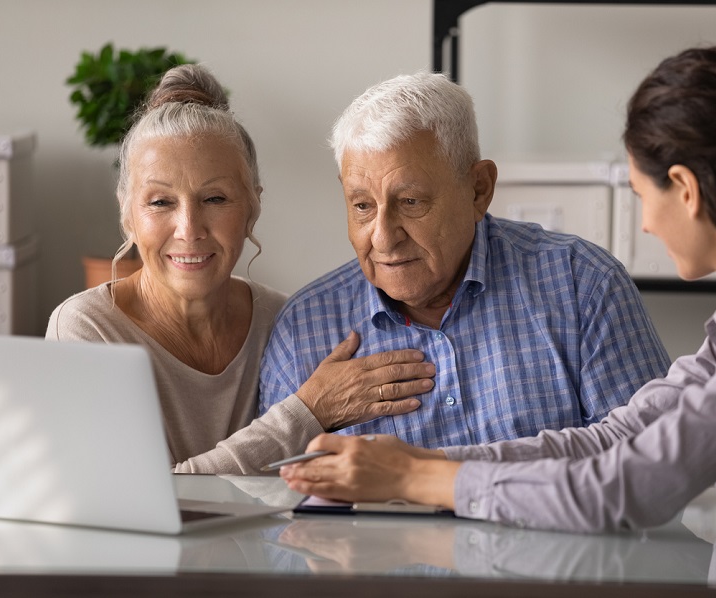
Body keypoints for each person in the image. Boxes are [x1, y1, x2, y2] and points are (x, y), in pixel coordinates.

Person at [280, 46, 716, 598]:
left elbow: (628, 486)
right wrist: (418, 463)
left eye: (639, 196)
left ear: (684, 190)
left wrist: (410, 483)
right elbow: (611, 439)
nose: (645, 227)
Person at [46, 64, 435, 473]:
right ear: (127, 214)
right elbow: (144, 505)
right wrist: (308, 412)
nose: (189, 229)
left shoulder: (285, 324)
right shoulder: (85, 331)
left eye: (215, 199)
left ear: (252, 207)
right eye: (160, 202)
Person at [258, 71, 670, 449]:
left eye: (411, 201)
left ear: (479, 189)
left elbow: (652, 467)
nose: (383, 237)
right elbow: (273, 517)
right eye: (362, 206)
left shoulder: (583, 285)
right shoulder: (304, 332)